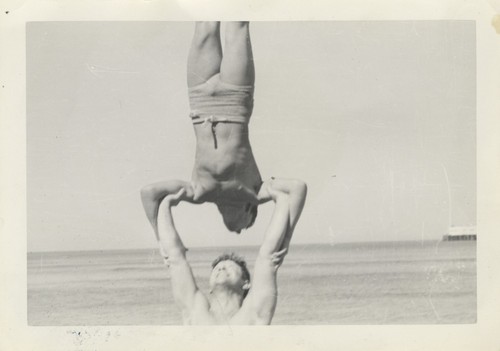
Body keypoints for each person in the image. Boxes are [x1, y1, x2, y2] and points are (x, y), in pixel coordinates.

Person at [141, 21, 300, 234]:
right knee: (238, 24)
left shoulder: (198, 193)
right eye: (245, 228)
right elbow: (298, 188)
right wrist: (286, 237)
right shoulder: (255, 193)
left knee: (205, 22)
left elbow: (148, 192)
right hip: (235, 100)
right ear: (249, 212)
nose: (238, 232)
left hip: (200, 99)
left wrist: (161, 240)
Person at [154, 180, 306, 325]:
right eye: (218, 268)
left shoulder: (253, 312)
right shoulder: (196, 310)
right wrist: (166, 203)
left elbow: (268, 256)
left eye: (229, 267)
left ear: (246, 283)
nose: (220, 268)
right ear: (210, 287)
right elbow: (175, 258)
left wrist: (280, 199)